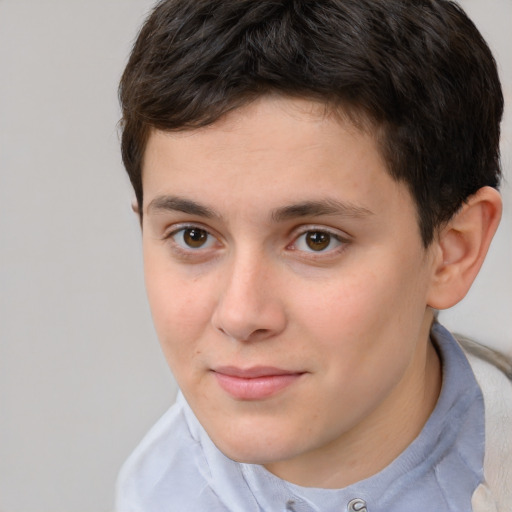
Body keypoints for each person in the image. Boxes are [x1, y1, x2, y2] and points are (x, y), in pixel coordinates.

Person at [115, 0, 511, 510]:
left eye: (316, 239)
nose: (240, 316)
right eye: (194, 236)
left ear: (452, 252)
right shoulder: (153, 487)